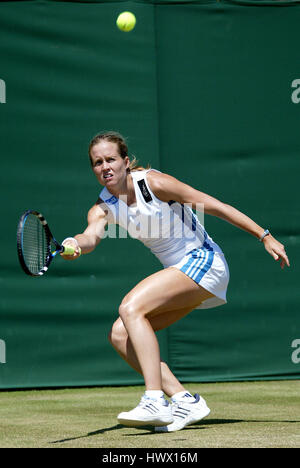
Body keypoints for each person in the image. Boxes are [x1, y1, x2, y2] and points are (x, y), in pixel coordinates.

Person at [61, 131, 290, 432]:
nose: (105, 167)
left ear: (126, 162)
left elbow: (214, 205)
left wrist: (265, 236)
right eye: (97, 162)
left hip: (205, 262)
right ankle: (185, 400)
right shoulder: (101, 206)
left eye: (111, 160)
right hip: (183, 275)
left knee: (130, 307)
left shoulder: (154, 183)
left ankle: (154, 399)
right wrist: (75, 244)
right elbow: (90, 236)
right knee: (120, 334)